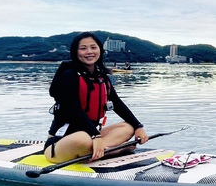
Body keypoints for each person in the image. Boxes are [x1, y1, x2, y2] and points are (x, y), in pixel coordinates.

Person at [44, 32, 149, 163]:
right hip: (61, 142)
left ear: (100, 49)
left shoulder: (101, 77)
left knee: (128, 127)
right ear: (75, 52)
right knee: (82, 139)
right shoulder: (68, 75)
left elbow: (117, 103)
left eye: (93, 47)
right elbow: (74, 110)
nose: (89, 52)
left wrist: (138, 126)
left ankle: (100, 151)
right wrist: (95, 136)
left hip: (92, 136)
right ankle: (111, 151)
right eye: (83, 48)